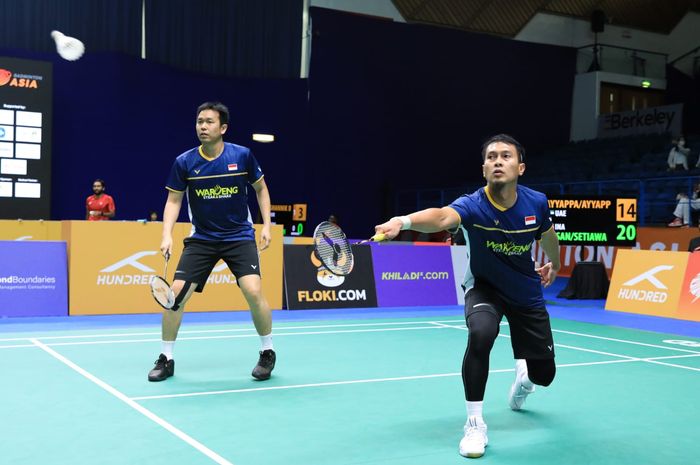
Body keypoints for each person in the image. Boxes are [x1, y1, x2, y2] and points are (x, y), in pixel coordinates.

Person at [375, 134, 561, 458]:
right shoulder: (473, 204)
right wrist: (401, 222)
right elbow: (442, 217)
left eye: (506, 156)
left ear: (521, 167)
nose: (498, 161)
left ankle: (524, 379)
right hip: (485, 286)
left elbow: (547, 235)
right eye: (491, 157)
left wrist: (555, 264)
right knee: (481, 334)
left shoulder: (537, 202)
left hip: (525, 290)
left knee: (544, 375)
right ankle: (475, 424)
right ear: (484, 168)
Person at [148, 102, 276, 382]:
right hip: (202, 239)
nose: (202, 126)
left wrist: (266, 225)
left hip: (238, 236)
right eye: (199, 122)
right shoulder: (185, 162)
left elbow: (261, 189)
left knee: (253, 291)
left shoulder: (242, 156)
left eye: (208, 122)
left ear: (223, 128)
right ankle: (166, 358)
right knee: (174, 297)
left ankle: (267, 351)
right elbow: (173, 200)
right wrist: (166, 233)